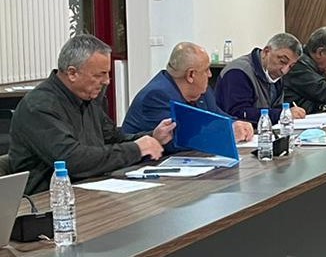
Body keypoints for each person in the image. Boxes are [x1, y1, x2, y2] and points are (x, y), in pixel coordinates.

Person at [9, 35, 175, 194]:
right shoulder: (39, 106)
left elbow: (113, 139)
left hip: (93, 189)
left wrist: (152, 137)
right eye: (99, 75)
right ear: (72, 73)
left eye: (107, 73)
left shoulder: (89, 98)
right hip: (49, 201)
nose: (107, 81)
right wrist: (136, 149)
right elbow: (72, 160)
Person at [124, 42, 254, 151]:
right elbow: (180, 139)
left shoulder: (201, 91)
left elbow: (219, 117)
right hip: (148, 167)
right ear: (191, 75)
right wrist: (227, 133)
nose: (210, 75)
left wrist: (237, 124)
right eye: (206, 70)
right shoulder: (156, 96)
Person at [216, 33, 304, 125]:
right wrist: (282, 114)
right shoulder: (238, 72)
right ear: (266, 52)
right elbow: (240, 114)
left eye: (291, 66)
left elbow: (274, 108)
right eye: (282, 61)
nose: (284, 71)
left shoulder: (275, 75)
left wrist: (288, 111)